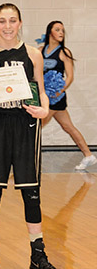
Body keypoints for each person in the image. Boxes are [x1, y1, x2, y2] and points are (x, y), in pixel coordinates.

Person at [0, 3, 57, 269]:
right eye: (2, 21)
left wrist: (44, 109)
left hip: (26, 125)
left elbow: (41, 92)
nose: (7, 26)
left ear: (20, 23)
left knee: (31, 193)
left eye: (12, 21)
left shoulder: (32, 54)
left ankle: (38, 254)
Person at [38, 21, 95, 170]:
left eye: (63, 30)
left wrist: (59, 91)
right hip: (44, 96)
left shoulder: (64, 52)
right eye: (57, 30)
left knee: (37, 127)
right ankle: (88, 155)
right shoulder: (40, 50)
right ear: (50, 32)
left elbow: (69, 77)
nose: (61, 32)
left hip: (56, 97)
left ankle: (25, 161)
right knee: (68, 126)